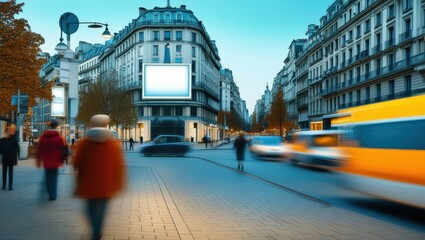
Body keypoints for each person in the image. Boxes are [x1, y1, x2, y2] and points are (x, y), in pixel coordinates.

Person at [73, 114, 126, 240]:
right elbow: (119, 166)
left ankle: (95, 229)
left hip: (88, 183)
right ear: (106, 125)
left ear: (92, 124)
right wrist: (118, 183)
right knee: (102, 209)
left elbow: (77, 162)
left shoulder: (84, 143)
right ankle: (98, 230)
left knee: (89, 209)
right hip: (106, 184)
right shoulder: (113, 144)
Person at [36, 119, 67, 201]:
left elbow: (40, 149)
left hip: (46, 161)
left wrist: (38, 161)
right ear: (56, 126)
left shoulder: (43, 137)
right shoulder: (59, 138)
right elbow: (62, 150)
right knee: (54, 178)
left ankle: (50, 193)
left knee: (48, 177)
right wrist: (63, 160)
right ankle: (53, 195)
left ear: (49, 126)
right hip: (55, 161)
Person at [0, 125, 19, 190]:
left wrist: (16, 156)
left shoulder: (13, 139)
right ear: (5, 132)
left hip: (11, 158)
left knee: (10, 172)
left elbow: (17, 148)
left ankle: (10, 186)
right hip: (4, 158)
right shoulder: (2, 140)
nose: (8, 133)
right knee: (4, 172)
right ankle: (4, 185)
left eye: (9, 131)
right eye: (7, 131)